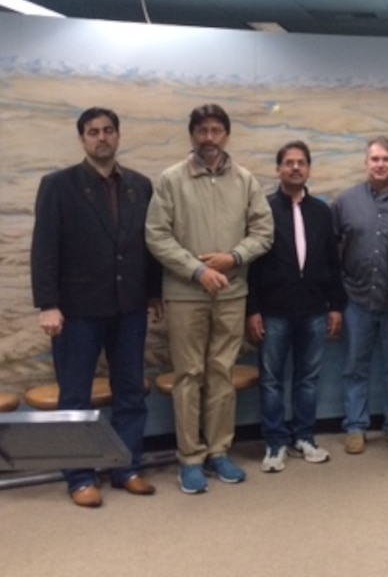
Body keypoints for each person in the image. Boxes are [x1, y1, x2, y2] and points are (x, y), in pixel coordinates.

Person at [30, 107, 162, 508]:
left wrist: (154, 292)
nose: (101, 138)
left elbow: (149, 244)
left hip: (130, 307)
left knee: (130, 393)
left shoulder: (140, 186)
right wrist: (48, 305)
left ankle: (128, 467)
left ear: (118, 136)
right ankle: (79, 476)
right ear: (82, 139)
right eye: (93, 132)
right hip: (77, 311)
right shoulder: (58, 185)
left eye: (108, 131)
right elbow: (44, 249)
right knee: (75, 397)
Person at [145, 104, 273, 494]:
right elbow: (157, 235)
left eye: (217, 130)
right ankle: (190, 459)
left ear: (226, 135)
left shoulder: (245, 180)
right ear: (192, 135)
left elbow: (264, 231)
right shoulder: (171, 180)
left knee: (221, 373)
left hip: (232, 293)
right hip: (186, 293)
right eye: (202, 131)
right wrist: (198, 270)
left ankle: (219, 452)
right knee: (189, 376)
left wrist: (232, 258)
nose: (209, 138)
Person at [247, 141, 346, 473]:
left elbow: (333, 263)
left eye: (301, 162)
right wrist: (253, 309)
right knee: (271, 380)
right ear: (278, 169)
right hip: (274, 311)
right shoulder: (263, 209)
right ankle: (275, 442)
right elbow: (253, 266)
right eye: (288, 162)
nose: (295, 168)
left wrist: (336, 306)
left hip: (315, 310)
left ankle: (304, 436)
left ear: (308, 169)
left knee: (308, 378)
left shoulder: (321, 211)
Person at [332, 136, 388, 455]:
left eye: (386, 159)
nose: (380, 165)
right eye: (374, 159)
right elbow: (333, 250)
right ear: (366, 162)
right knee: (355, 366)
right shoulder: (345, 202)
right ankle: (355, 426)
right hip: (356, 298)